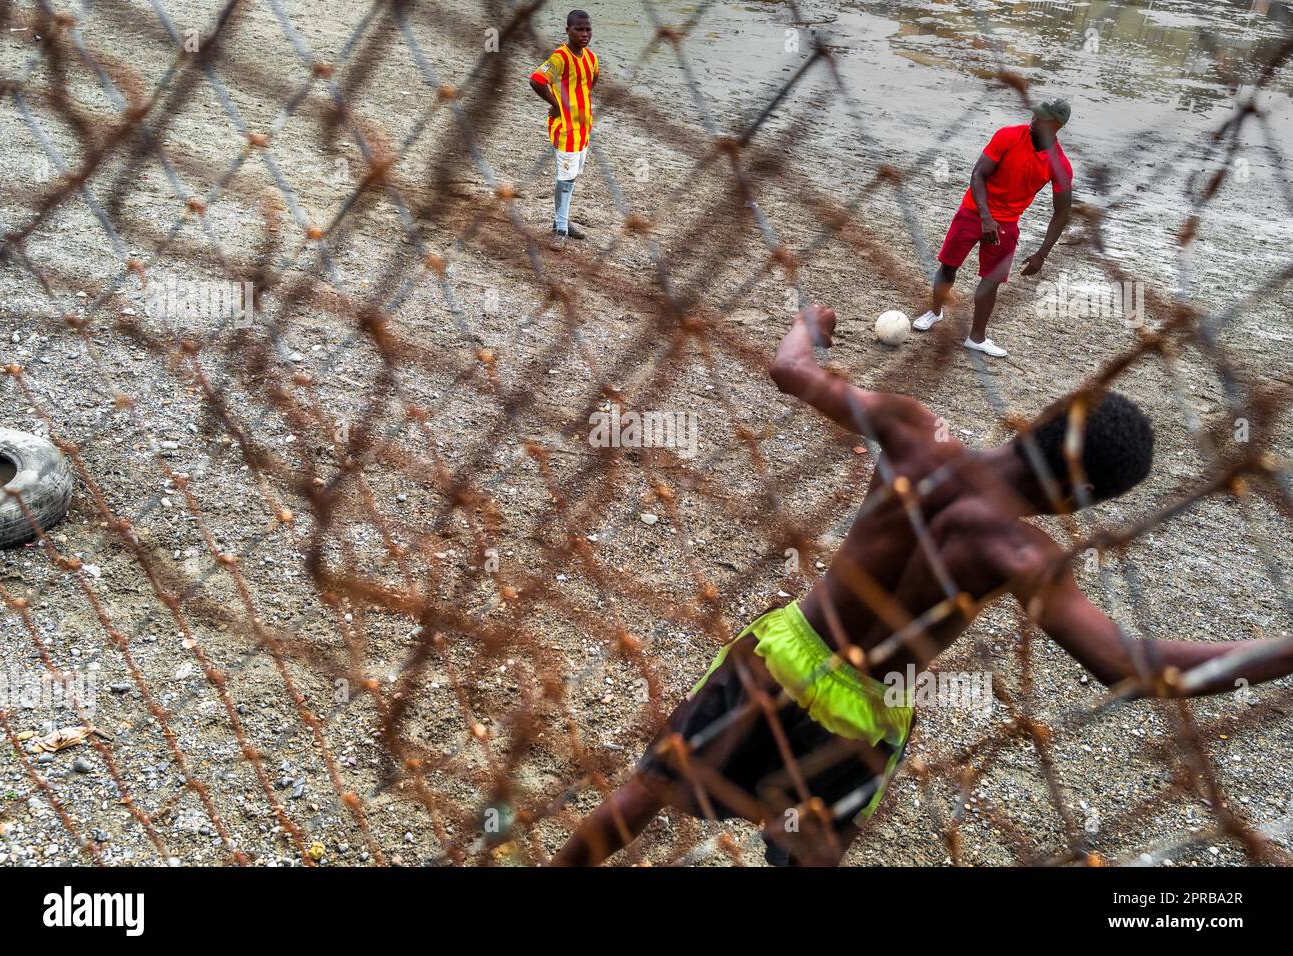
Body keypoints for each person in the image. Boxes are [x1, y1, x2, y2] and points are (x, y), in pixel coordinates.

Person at [550, 304, 1293, 866]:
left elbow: (791, 369)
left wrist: (812, 322)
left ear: (1041, 420)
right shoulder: (1021, 553)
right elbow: (1130, 666)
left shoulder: (914, 431)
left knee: (647, 792)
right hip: (863, 714)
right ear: (1082, 500)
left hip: (780, 655)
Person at [914, 99, 1075, 358]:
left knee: (991, 282)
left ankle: (976, 338)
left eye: (1042, 118)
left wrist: (1042, 254)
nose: (1033, 120)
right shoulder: (1008, 135)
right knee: (948, 266)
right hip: (972, 211)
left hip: (1007, 224)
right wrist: (986, 216)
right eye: (1035, 115)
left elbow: (1062, 212)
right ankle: (934, 311)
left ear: (1056, 125)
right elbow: (978, 174)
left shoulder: (1060, 164)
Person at [528, 10, 600, 250]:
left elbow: (592, 81)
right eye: (579, 29)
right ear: (567, 30)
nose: (584, 34)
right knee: (565, 176)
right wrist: (556, 104)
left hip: (584, 127)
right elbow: (537, 80)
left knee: (573, 175)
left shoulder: (591, 58)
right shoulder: (560, 58)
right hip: (566, 129)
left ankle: (563, 220)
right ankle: (560, 227)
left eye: (587, 29)